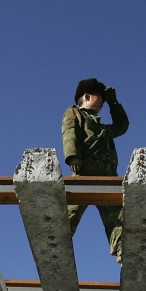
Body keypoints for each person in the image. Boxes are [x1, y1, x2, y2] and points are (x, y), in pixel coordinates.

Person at [62, 78, 129, 263]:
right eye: (100, 99)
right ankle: (58, 244)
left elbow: (122, 126)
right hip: (84, 174)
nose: (101, 103)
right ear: (87, 96)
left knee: (116, 217)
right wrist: (72, 155)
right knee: (70, 213)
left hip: (107, 177)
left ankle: (123, 247)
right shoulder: (74, 113)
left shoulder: (103, 129)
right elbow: (69, 131)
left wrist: (114, 103)